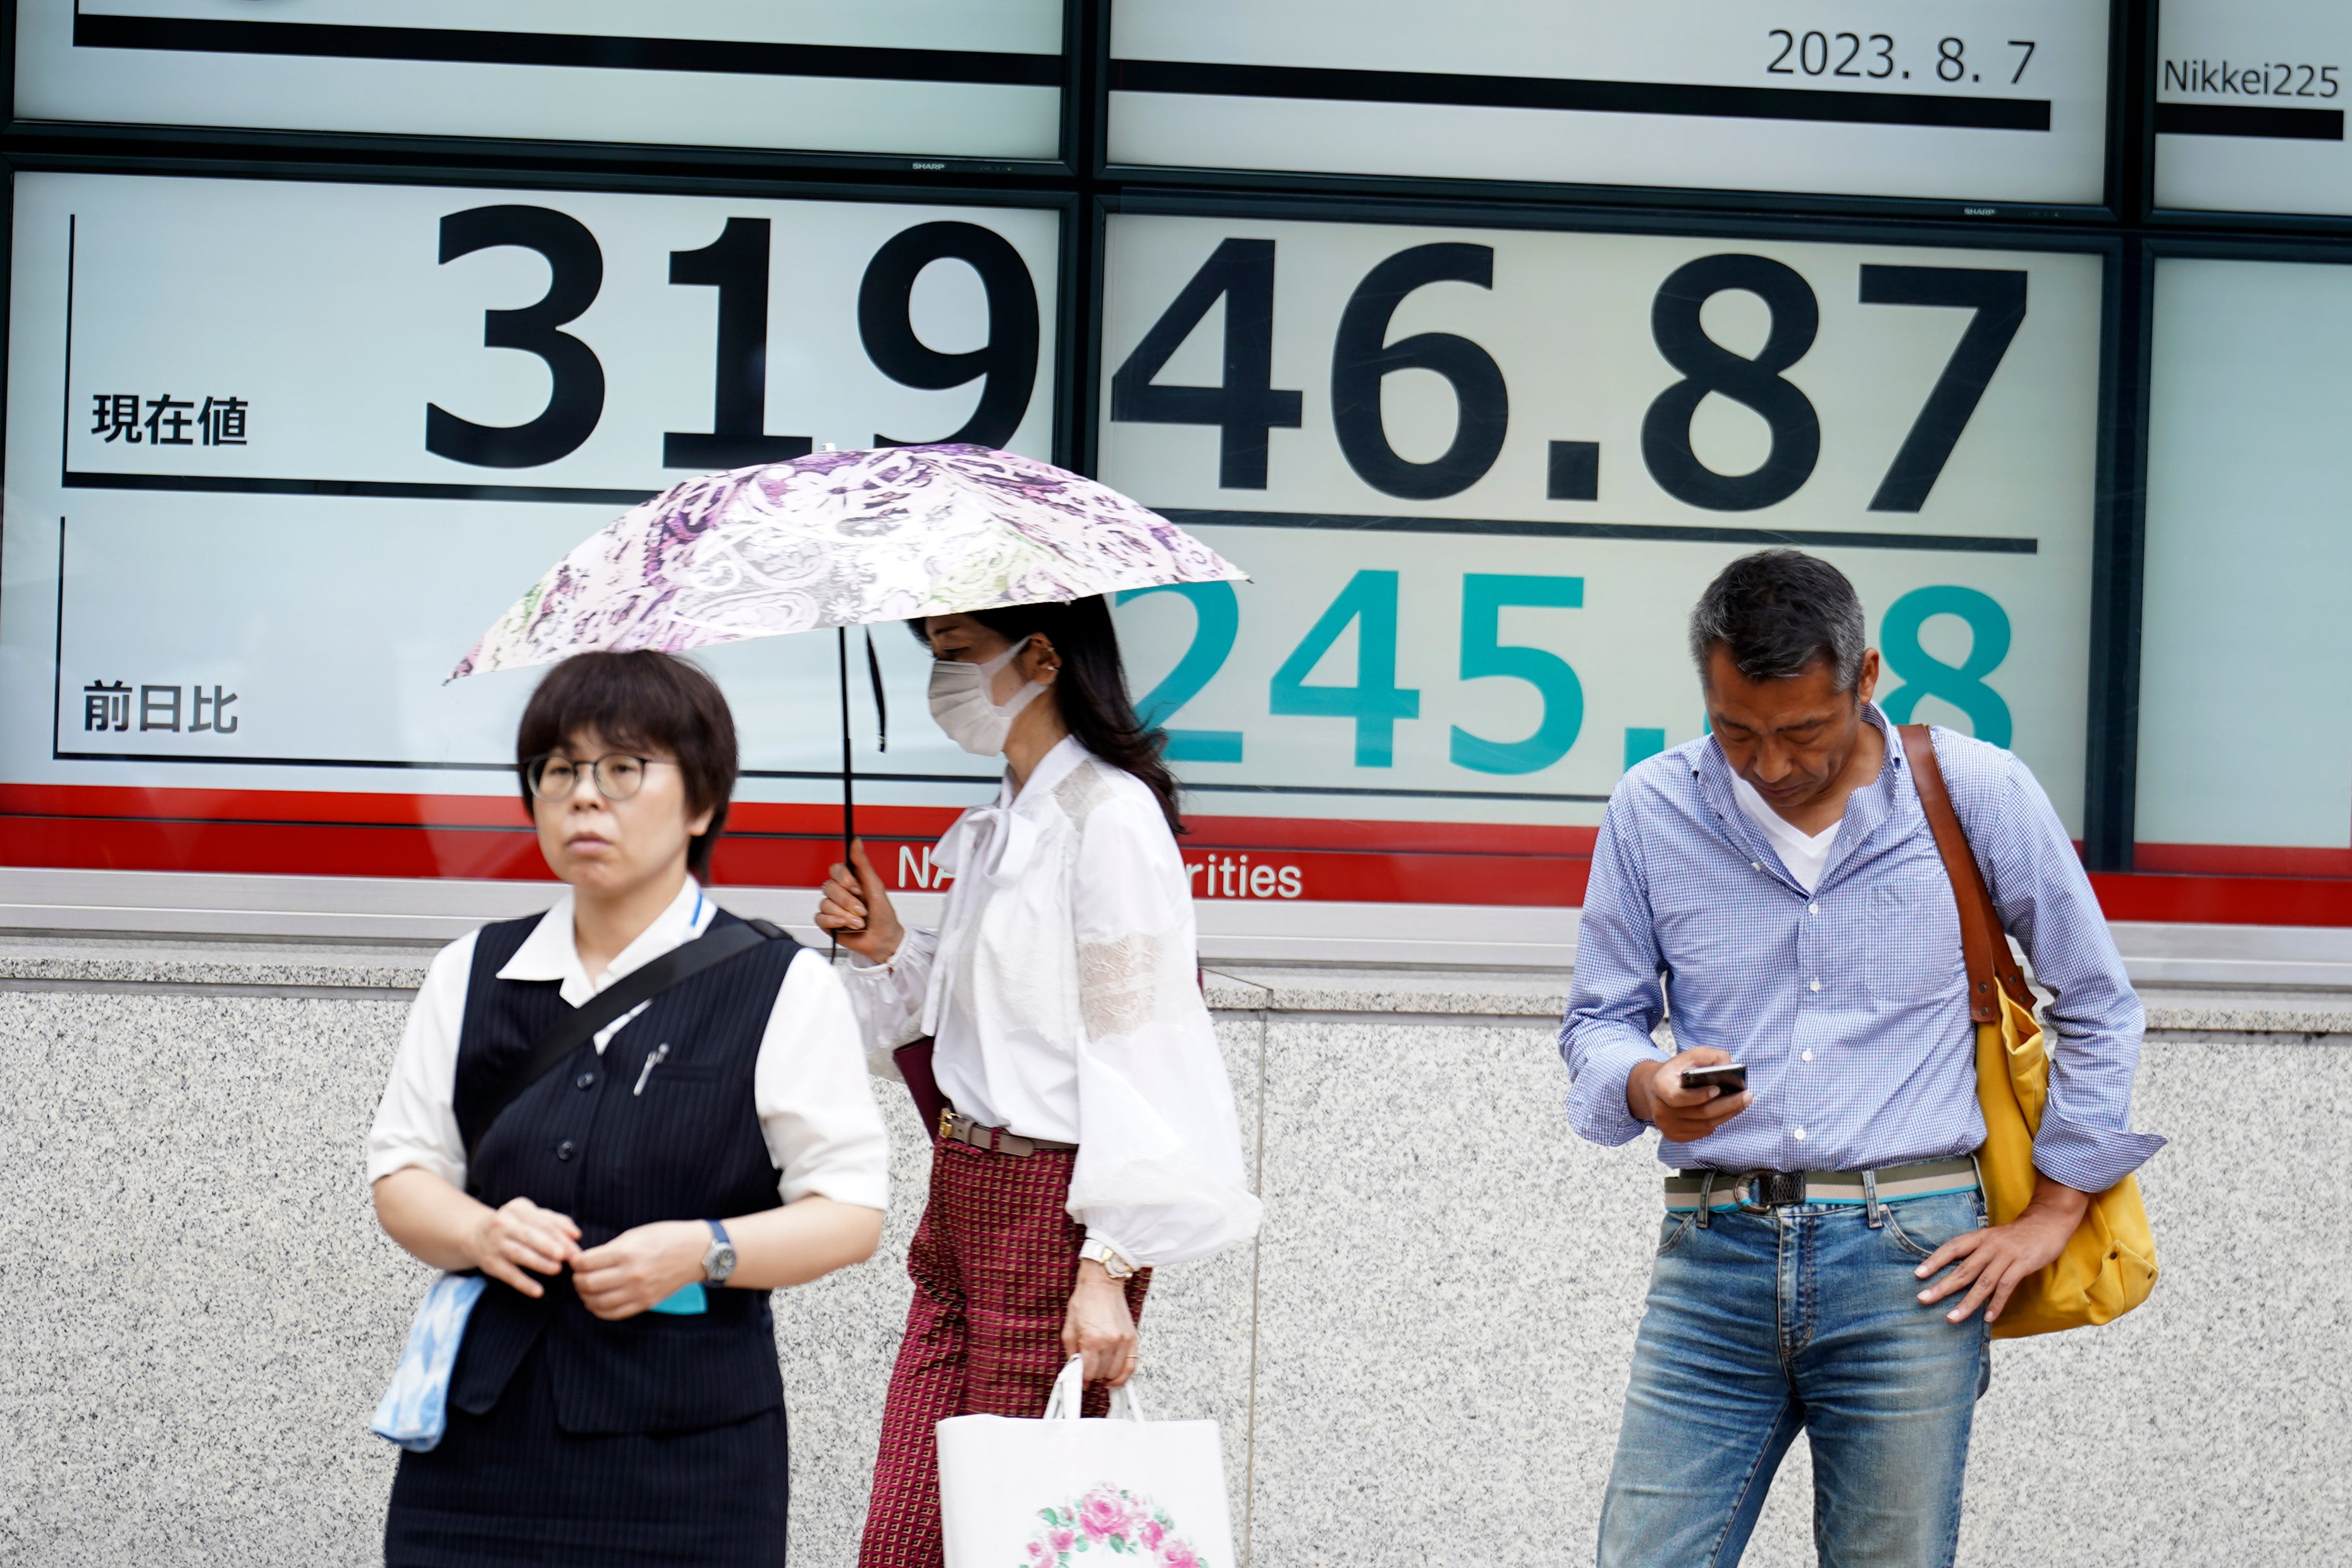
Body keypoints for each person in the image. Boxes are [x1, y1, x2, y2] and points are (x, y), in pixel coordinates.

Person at [1560, 551, 2164, 1568]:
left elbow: (2098, 1003)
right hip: (1713, 1251)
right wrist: (1646, 1085)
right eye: (1736, 730)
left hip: (1912, 1262)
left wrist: (2056, 1208)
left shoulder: (1973, 790)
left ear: (1866, 676)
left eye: (1802, 730)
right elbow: (1598, 1019)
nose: (1771, 765)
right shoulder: (1652, 806)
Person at [367, 649, 890, 1568]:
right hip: (480, 1456)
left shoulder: (780, 985)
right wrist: (482, 1233)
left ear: (701, 803)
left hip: (690, 1466)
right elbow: (405, 1174)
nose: (584, 797)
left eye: (622, 768)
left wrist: (704, 1251)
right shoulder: (473, 972)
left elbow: (850, 1211)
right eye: (558, 770)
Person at [815, 596, 1260, 1568]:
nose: (944, 679)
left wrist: (1109, 1265)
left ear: (1044, 657)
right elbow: (981, 1024)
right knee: (906, 1537)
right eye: (934, 653)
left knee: (1010, 1535)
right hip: (962, 1194)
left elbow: (1143, 1047)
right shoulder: (1001, 823)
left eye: (959, 651)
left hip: (1052, 1213)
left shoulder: (1109, 819)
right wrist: (888, 945)